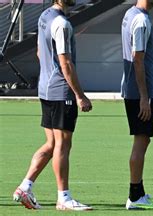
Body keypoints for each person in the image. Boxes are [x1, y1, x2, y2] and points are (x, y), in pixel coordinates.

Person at [12, 0, 93, 211]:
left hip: (46, 90)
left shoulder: (44, 16)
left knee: (51, 144)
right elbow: (65, 63)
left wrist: (49, 73)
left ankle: (24, 187)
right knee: (62, 145)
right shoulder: (62, 24)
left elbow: (40, 53)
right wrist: (80, 95)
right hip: (60, 92)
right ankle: (63, 198)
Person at [121, 0, 153, 210]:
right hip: (139, 92)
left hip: (135, 91)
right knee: (141, 141)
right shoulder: (140, 20)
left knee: (143, 140)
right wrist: (144, 97)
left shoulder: (130, 13)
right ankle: (135, 195)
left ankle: (138, 192)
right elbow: (137, 59)